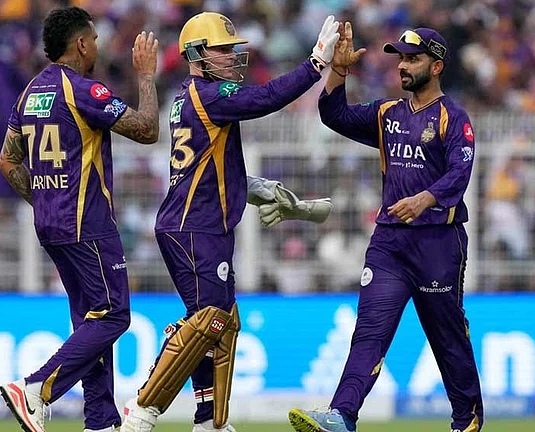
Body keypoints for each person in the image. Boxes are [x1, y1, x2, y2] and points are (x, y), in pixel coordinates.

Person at [121, 11, 340, 432]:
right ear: (196, 55)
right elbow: (265, 99)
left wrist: (251, 187)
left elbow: (208, 162)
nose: (230, 57)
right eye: (221, 50)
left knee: (222, 321)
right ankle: (144, 406)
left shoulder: (189, 96)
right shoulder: (208, 94)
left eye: (231, 49)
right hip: (195, 226)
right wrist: (316, 62)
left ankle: (210, 421)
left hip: (198, 222)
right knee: (209, 319)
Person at [288, 24, 484, 432]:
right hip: (389, 243)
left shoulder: (453, 116)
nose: (404, 66)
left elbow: (460, 172)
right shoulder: (387, 114)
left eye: (413, 59)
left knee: (448, 339)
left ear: (437, 65)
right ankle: (342, 415)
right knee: (369, 333)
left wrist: (425, 199)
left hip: (438, 245)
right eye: (402, 59)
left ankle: (466, 420)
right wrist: (338, 73)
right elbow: (334, 115)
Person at [0, 6, 159, 432]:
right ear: (82, 43)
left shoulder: (30, 93)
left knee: (91, 321)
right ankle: (35, 389)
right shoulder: (83, 90)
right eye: (95, 40)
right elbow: (146, 129)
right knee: (114, 315)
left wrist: (45, 198)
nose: (97, 48)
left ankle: (101, 420)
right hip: (88, 223)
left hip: (51, 225)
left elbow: (7, 162)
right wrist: (145, 76)